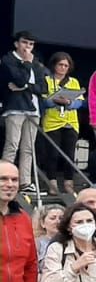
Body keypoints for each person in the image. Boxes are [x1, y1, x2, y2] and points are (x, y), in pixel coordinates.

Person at [2, 31, 48, 194]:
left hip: (34, 109)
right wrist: (27, 66)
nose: (28, 47)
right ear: (17, 44)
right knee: (12, 145)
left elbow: (43, 88)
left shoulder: (36, 62)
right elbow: (19, 79)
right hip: (15, 107)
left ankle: (25, 182)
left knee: (28, 148)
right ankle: (4, 177)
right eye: (24, 43)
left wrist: (25, 87)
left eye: (31, 44)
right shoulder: (9, 60)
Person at [38, 52, 85, 197]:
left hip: (70, 122)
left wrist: (70, 102)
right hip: (52, 121)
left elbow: (80, 102)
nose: (63, 68)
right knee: (52, 154)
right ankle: (52, 182)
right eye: (61, 65)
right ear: (54, 65)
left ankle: (68, 183)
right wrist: (55, 101)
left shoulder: (73, 82)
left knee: (69, 154)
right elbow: (44, 101)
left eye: (66, 65)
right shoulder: (46, 80)